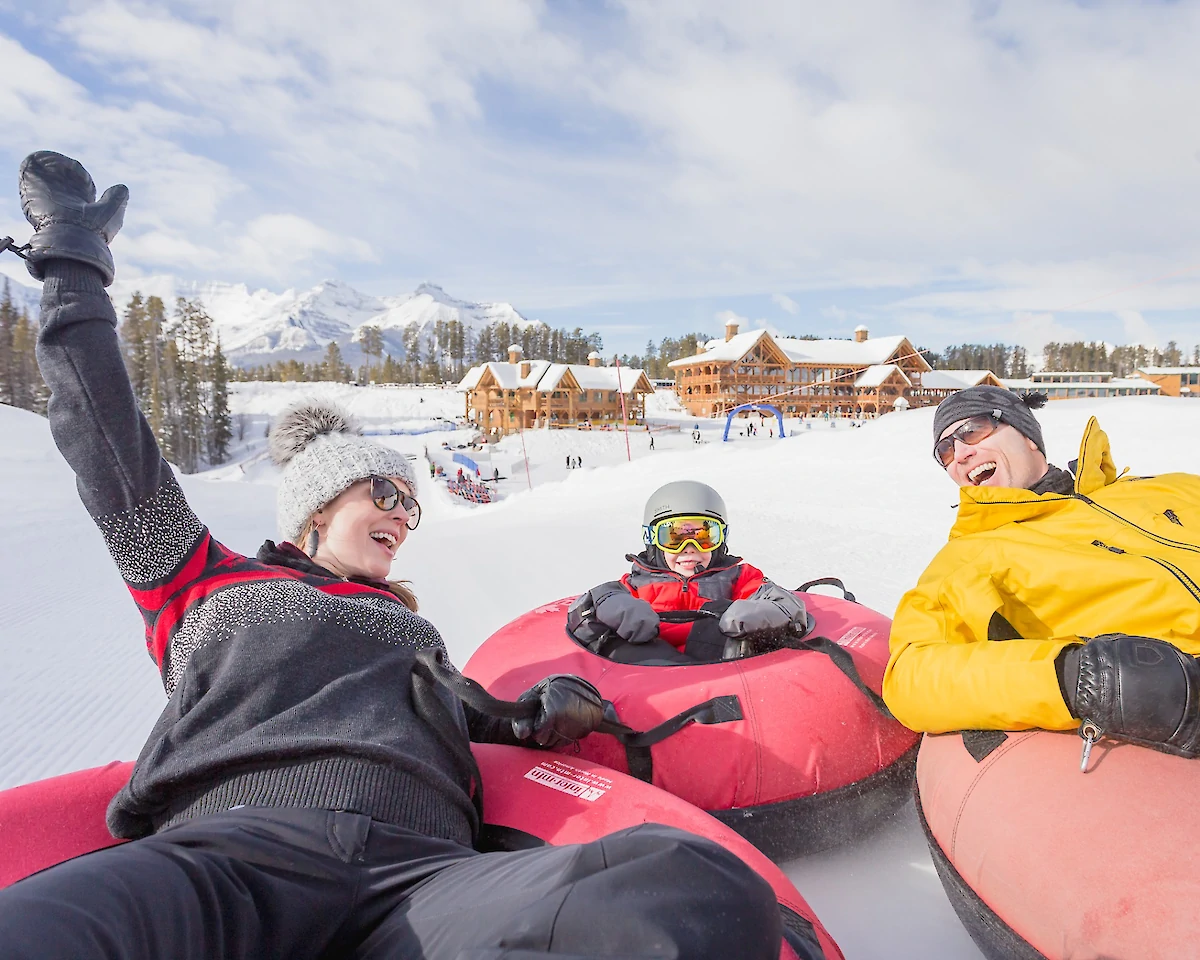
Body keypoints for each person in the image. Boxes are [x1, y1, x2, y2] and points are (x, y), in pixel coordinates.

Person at [0, 151, 782, 959]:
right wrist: (73, 263)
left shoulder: (413, 636)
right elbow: (103, 434)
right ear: (314, 505)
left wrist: (543, 710)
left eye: (411, 506)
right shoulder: (202, 579)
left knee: (695, 891)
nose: (404, 517)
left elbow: (495, 722)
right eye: (385, 494)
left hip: (425, 881)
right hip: (227, 860)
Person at [883, 385, 1200, 763]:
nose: (961, 454)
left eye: (973, 430)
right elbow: (911, 675)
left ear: (1028, 437)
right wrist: (1074, 675)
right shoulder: (971, 555)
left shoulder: (1166, 487)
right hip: (1179, 693)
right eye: (946, 451)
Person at [567, 481, 807, 664]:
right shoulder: (638, 584)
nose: (689, 549)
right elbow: (593, 605)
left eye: (704, 536)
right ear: (652, 539)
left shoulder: (736, 577)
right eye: (674, 537)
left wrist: (755, 614)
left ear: (721, 538)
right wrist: (611, 604)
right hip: (651, 677)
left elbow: (785, 604)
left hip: (721, 673)